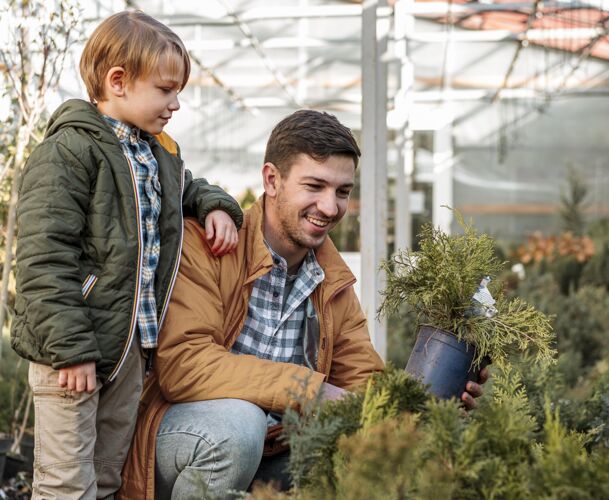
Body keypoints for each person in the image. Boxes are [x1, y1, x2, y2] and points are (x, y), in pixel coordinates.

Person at [119, 110, 487, 499]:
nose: (330, 208)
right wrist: (306, 391)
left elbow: (361, 382)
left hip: (274, 448)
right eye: (315, 186)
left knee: (351, 454)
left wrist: (429, 408)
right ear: (272, 180)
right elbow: (184, 365)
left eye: (343, 192)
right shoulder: (212, 244)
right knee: (239, 425)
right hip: (182, 440)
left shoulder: (332, 280)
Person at [10, 11, 243, 499]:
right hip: (73, 351)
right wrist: (70, 350)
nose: (176, 103)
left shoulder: (155, 151)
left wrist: (215, 205)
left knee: (107, 478)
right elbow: (42, 260)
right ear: (118, 82)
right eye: (165, 90)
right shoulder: (70, 152)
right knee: (66, 485)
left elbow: (186, 188)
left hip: (130, 349)